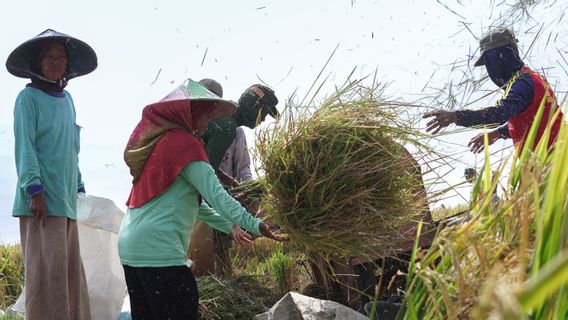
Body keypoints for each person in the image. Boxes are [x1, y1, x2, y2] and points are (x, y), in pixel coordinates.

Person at [118, 79, 286, 319]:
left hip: (131, 248)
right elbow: (215, 195)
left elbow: (195, 205)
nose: (210, 122)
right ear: (191, 113)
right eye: (206, 115)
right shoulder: (186, 145)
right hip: (159, 252)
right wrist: (257, 224)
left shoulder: (161, 144)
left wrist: (230, 226)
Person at [7, 29, 97, 320]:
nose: (55, 61)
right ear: (37, 62)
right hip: (42, 203)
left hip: (66, 201)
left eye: (61, 56)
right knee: (46, 279)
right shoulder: (27, 98)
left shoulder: (67, 99)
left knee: (69, 277)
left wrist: (79, 185)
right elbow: (26, 146)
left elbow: (70, 147)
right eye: (48, 56)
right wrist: (35, 190)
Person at [423, 27, 564, 154]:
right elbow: (534, 121)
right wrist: (497, 133)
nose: (489, 68)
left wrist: (456, 116)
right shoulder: (534, 78)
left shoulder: (522, 84)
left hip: (553, 165)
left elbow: (500, 114)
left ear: (499, 57)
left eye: (488, 62)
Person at [200, 83, 279, 275]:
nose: (263, 120)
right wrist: (233, 209)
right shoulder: (227, 127)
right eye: (264, 114)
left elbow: (206, 164)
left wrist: (233, 183)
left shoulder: (227, 122)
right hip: (201, 201)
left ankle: (223, 273)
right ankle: (219, 275)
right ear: (254, 110)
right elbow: (204, 176)